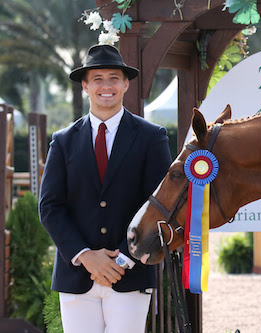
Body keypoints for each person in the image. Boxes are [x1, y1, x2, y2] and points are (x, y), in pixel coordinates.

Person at [39, 44, 172, 333]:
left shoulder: (152, 138)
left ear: (126, 83)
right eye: (97, 79)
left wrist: (122, 260)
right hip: (76, 275)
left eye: (114, 77)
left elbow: (161, 205)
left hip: (131, 274)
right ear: (85, 86)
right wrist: (86, 256)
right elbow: (50, 207)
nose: (106, 86)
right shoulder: (62, 141)